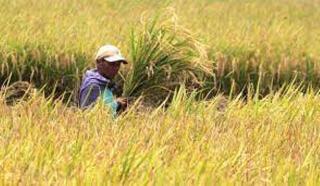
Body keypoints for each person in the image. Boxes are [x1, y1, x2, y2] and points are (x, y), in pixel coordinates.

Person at [79, 44, 128, 116]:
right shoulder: (93, 86)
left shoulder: (106, 84)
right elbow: (87, 115)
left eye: (118, 64)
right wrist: (117, 104)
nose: (115, 68)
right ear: (99, 62)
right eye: (111, 63)